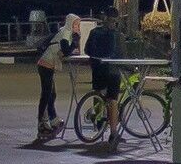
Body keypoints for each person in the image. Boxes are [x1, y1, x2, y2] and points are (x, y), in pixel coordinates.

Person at [34, 12, 80, 140]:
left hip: (46, 64)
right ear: (71, 23)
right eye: (76, 24)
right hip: (46, 65)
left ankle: (53, 119)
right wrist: (75, 43)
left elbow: (64, 49)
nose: (78, 27)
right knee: (46, 94)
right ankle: (42, 123)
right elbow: (65, 50)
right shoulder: (66, 32)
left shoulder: (64, 31)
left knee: (51, 94)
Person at [82, 10, 123, 144]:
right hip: (112, 70)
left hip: (97, 69)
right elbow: (122, 54)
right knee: (113, 100)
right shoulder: (118, 35)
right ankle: (113, 133)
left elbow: (87, 50)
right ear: (115, 20)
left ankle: (99, 124)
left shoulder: (94, 32)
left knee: (99, 95)